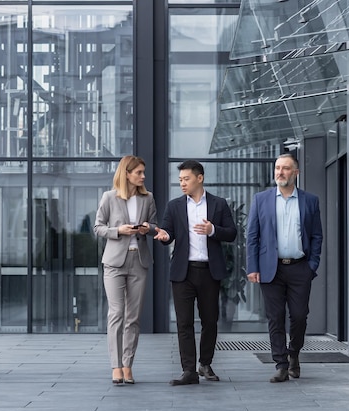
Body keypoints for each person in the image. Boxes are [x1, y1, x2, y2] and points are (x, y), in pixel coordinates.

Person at [154, 160, 237, 385]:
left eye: (186, 179)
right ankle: (189, 371)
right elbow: (168, 232)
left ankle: (205, 364)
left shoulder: (218, 205)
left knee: (210, 321)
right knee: (184, 323)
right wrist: (164, 237)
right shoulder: (174, 206)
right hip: (183, 272)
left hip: (209, 271)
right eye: (180, 179)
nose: (182, 183)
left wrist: (213, 230)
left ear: (199, 178)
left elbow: (231, 233)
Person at [246, 153, 323, 383]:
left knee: (299, 316)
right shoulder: (261, 199)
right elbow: (252, 236)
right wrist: (252, 267)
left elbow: (317, 235)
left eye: (286, 168)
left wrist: (312, 265)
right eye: (277, 168)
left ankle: (294, 354)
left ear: (296, 173)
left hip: (300, 268)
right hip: (272, 268)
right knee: (275, 317)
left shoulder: (310, 201)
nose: (280, 172)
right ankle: (280, 364)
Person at [94, 155, 158, 385]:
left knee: (133, 317)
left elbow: (154, 225)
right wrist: (119, 230)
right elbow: (98, 227)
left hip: (139, 261)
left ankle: (128, 365)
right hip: (114, 262)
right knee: (116, 313)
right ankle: (116, 366)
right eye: (139, 172)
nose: (142, 176)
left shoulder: (147, 198)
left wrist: (146, 229)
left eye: (143, 172)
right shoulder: (109, 197)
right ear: (127, 173)